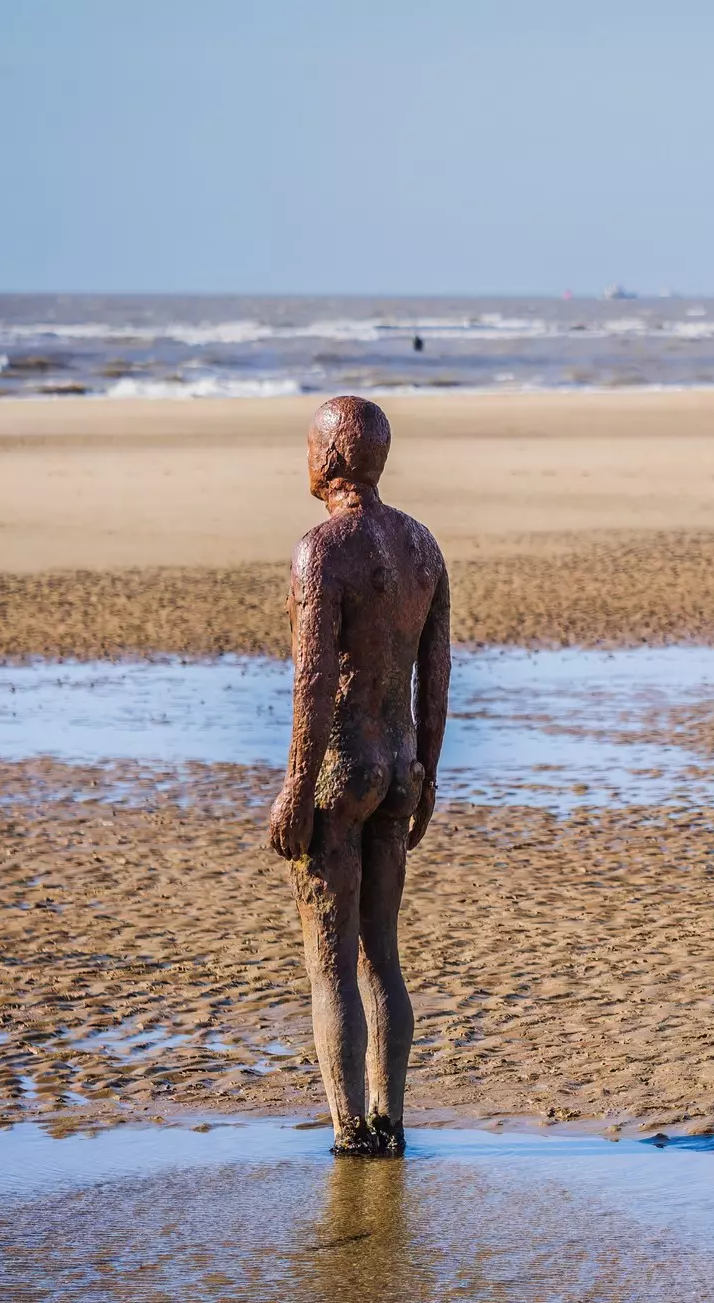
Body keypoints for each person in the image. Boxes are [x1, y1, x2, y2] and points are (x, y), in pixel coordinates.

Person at [267, 396, 451, 1156]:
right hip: (399, 764)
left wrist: (293, 787)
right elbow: (435, 673)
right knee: (383, 946)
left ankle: (350, 1130)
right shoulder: (421, 546)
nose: (307, 460)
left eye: (312, 447)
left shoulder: (323, 550)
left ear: (333, 458)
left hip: (341, 770)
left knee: (331, 960)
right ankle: (392, 1117)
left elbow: (313, 684)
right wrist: (428, 773)